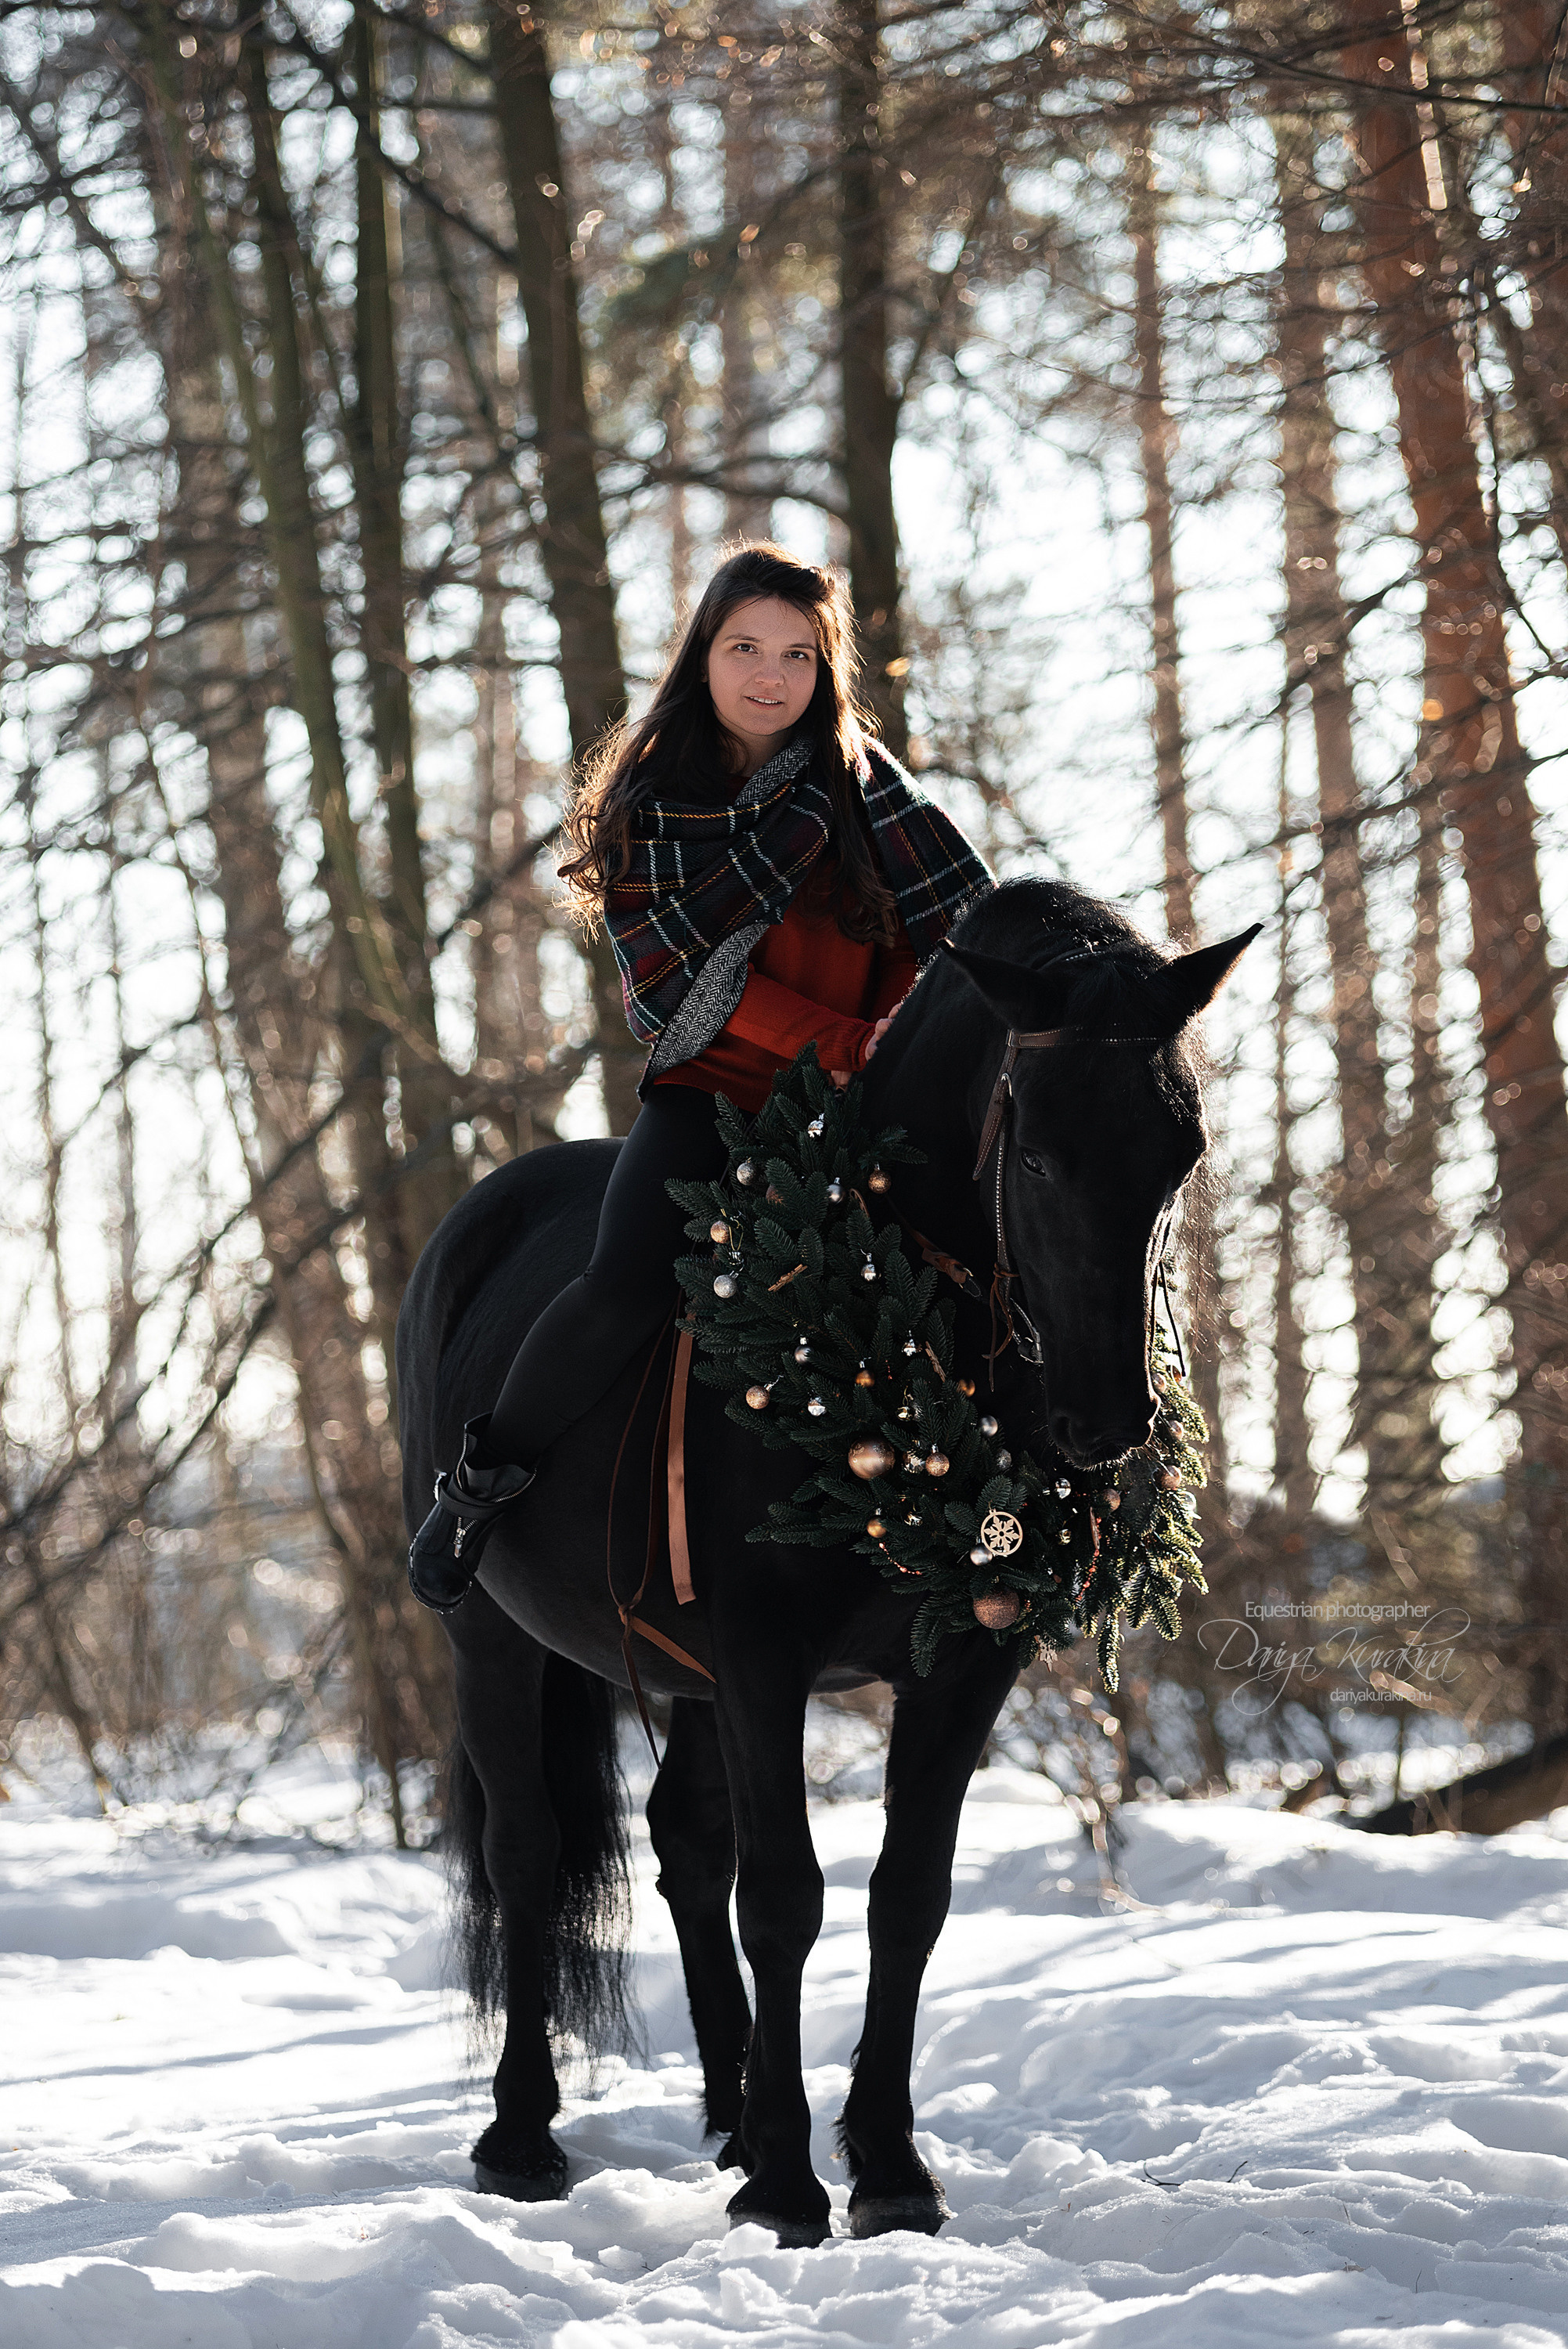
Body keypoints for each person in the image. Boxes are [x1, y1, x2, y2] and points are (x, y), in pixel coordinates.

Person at [409, 543, 992, 1611]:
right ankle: (477, 1493)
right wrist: (854, 1046)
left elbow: (950, 945)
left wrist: (900, 1042)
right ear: (703, 655)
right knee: (622, 1281)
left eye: (798, 656)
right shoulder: (652, 803)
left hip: (871, 1104)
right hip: (714, 1096)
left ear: (828, 672)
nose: (771, 677)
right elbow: (688, 993)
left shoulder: (871, 792)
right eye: (745, 649)